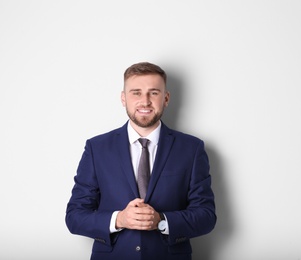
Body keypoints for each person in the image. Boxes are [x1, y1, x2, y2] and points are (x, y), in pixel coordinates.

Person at [65, 62, 217, 260]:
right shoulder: (97, 148)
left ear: (166, 98)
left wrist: (162, 221)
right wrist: (119, 219)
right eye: (136, 92)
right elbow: (75, 217)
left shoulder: (191, 149)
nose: (145, 101)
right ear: (123, 98)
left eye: (153, 93)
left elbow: (206, 216)